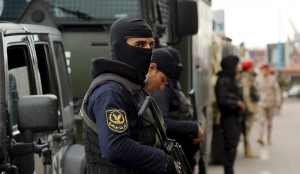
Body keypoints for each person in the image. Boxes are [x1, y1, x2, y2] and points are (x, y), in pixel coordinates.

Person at [80, 17, 179, 174]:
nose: (147, 50)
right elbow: (115, 147)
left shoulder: (130, 87)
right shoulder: (110, 91)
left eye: (151, 45)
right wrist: (162, 160)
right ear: (119, 46)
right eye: (139, 44)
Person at [151, 46, 204, 172]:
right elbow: (162, 122)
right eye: (177, 63)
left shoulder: (173, 86)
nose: (180, 66)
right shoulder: (163, 90)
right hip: (173, 150)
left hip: (183, 149)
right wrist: (192, 126)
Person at [215, 55, 245, 174]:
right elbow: (222, 100)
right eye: (237, 64)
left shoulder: (230, 78)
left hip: (233, 117)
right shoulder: (224, 79)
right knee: (230, 147)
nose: (239, 66)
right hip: (229, 118)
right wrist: (237, 103)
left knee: (232, 146)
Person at [254, 63, 281, 146]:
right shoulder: (257, 79)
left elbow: (277, 91)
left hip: (271, 103)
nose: (265, 71)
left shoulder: (273, 79)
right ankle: (260, 137)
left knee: (269, 123)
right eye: (263, 69)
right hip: (261, 103)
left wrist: (278, 101)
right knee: (261, 121)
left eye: (266, 69)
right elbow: (254, 91)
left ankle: (269, 138)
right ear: (261, 70)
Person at [239, 60, 259, 158]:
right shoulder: (245, 79)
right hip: (247, 109)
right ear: (248, 68)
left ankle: (247, 149)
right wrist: (250, 108)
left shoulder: (247, 78)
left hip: (246, 108)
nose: (253, 69)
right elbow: (246, 95)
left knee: (246, 130)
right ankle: (248, 150)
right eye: (252, 67)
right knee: (247, 130)